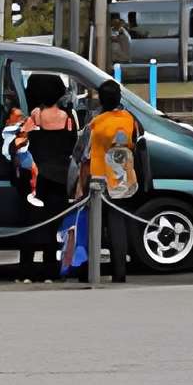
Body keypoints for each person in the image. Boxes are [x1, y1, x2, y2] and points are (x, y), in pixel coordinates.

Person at [15, 71, 79, 282]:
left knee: (32, 225)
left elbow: (20, 143)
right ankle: (51, 271)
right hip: (60, 178)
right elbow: (73, 146)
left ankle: (26, 271)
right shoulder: (69, 118)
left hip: (36, 177)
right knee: (54, 226)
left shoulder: (33, 118)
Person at [86, 78, 145, 284]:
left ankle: (91, 271)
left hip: (98, 178)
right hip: (122, 179)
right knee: (117, 224)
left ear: (101, 100)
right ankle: (119, 272)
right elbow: (137, 144)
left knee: (94, 225)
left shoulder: (95, 123)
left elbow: (83, 152)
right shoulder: (130, 119)